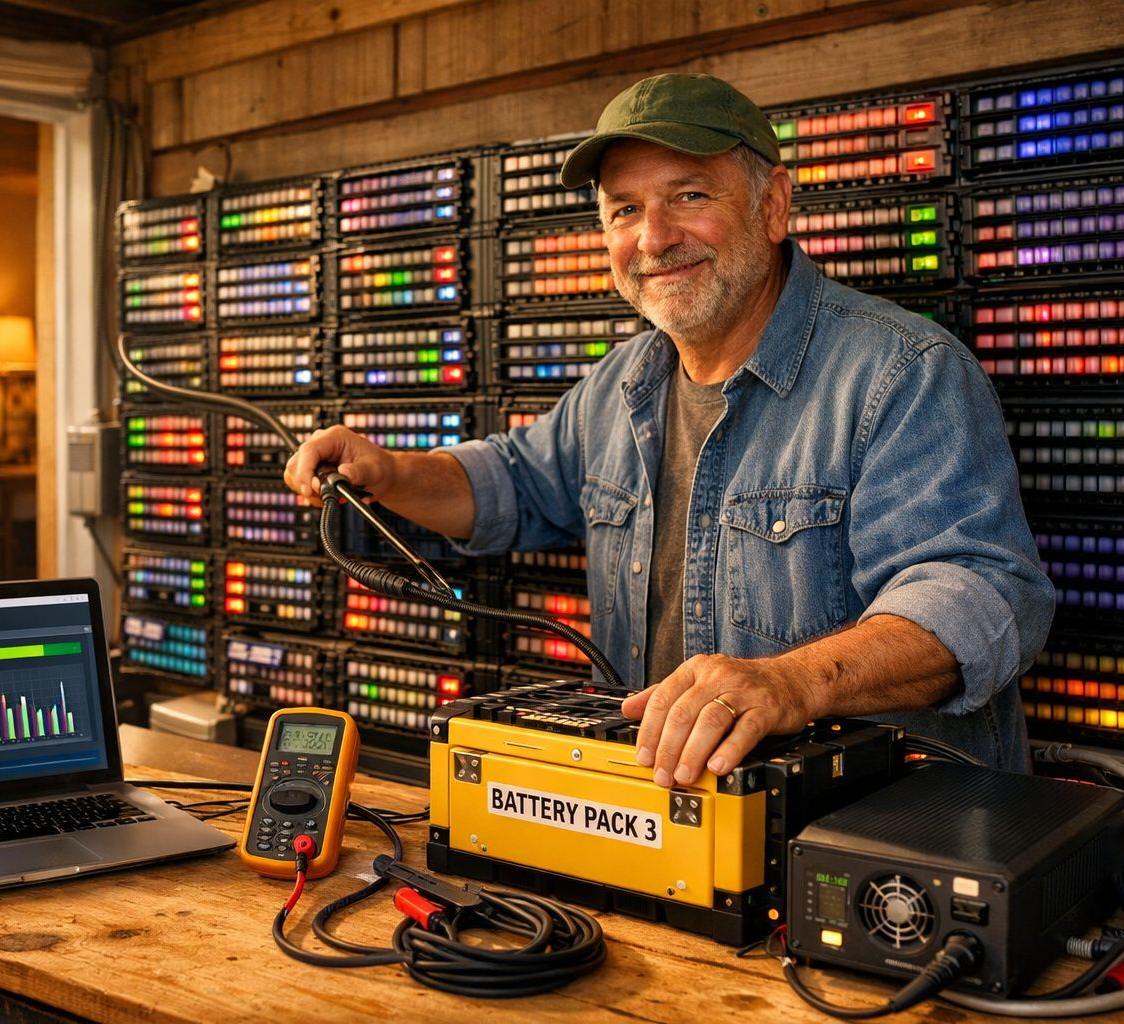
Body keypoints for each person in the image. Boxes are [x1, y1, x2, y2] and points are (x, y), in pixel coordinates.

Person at [286, 73, 1054, 781]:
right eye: (625, 209)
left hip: (874, 847)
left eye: (689, 195)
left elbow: (982, 596)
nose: (652, 238)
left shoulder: (901, 371)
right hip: (673, 829)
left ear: (774, 205)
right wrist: (390, 473)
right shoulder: (622, 385)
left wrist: (788, 682)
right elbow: (509, 485)